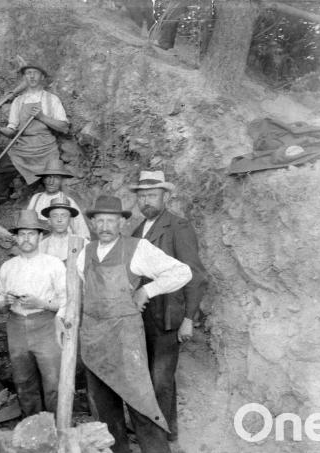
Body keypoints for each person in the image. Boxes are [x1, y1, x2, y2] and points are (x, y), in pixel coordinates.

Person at [74, 195, 192, 453]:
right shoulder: (84, 252)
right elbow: (78, 293)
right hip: (94, 338)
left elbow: (182, 272)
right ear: (92, 223)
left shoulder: (137, 248)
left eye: (111, 221)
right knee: (104, 407)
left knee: (141, 402)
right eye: (99, 221)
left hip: (125, 338)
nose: (105, 226)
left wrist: (146, 292)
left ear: (121, 224)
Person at [129, 170, 208, 443]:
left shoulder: (178, 226)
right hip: (142, 314)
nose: (146, 201)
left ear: (166, 197)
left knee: (161, 377)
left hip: (168, 313)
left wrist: (189, 317)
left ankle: (159, 437)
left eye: (152, 195)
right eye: (142, 197)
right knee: (149, 375)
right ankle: (165, 427)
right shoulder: (137, 230)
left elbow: (194, 274)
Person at [0, 210, 66, 415]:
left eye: (31, 234)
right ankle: (32, 428)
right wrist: (4, 301)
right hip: (16, 325)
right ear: (16, 237)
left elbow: (66, 301)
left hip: (46, 324)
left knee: (53, 380)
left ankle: (57, 427)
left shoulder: (53, 264)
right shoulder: (8, 267)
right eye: (22, 234)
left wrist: (41, 303)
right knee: (23, 381)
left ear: (40, 236)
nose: (26, 239)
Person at [0, 63, 69, 220]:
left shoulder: (51, 100)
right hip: (21, 149)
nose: (32, 76)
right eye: (28, 73)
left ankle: (53, 223)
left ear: (42, 77)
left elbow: (64, 127)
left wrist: (42, 117)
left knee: (53, 185)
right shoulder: (18, 101)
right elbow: (12, 130)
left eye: (35, 73)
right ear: (24, 77)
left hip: (45, 150)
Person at [27, 159, 90, 240]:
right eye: (48, 177)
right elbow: (27, 224)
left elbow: (82, 230)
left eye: (56, 178)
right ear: (43, 179)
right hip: (39, 246)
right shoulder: (36, 198)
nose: (51, 182)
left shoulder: (68, 202)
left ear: (61, 180)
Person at [38, 195, 89, 263]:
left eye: (64, 215)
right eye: (55, 216)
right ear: (49, 221)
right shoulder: (41, 246)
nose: (59, 220)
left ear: (70, 220)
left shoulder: (83, 243)